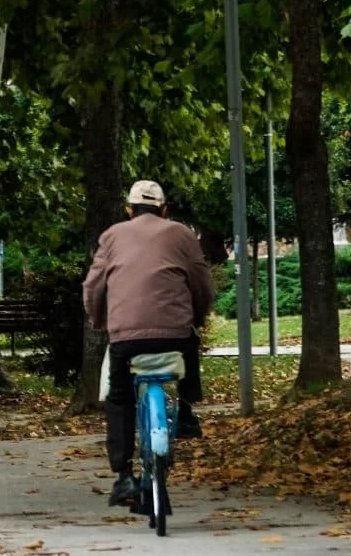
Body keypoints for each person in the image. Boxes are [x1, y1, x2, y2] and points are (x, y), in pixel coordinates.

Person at [82, 179, 214, 506]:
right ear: (164, 210)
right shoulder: (182, 234)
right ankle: (187, 413)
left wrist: (99, 321)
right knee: (189, 346)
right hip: (175, 332)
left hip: (125, 336)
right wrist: (198, 317)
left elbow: (93, 287)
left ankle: (124, 475)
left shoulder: (112, 236)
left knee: (119, 398)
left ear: (129, 210)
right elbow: (202, 283)